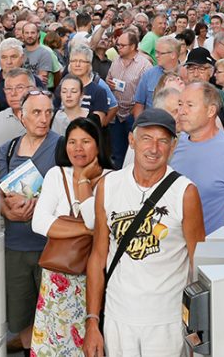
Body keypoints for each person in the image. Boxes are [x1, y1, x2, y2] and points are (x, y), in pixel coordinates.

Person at [83, 109, 205, 357]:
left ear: (173, 146)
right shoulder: (109, 185)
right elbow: (98, 257)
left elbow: (198, 263)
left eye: (163, 141)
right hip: (118, 318)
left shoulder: (185, 193)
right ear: (132, 140)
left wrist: (196, 329)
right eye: (146, 138)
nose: (154, 148)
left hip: (167, 322)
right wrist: (92, 321)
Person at [31, 117, 113, 356]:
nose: (78, 148)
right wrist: (88, 231)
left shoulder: (112, 179)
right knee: (53, 345)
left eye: (86, 141)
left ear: (98, 144)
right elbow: (39, 223)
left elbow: (92, 220)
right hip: (58, 279)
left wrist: (84, 181)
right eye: (72, 142)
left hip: (97, 277)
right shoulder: (56, 175)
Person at [0, 89, 60, 354]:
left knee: (55, 314)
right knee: (22, 314)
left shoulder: (62, 146)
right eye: (36, 112)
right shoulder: (8, 149)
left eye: (48, 112)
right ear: (21, 117)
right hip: (17, 246)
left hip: (52, 246)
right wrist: (6, 211)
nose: (43, 119)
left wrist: (41, 204)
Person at [170, 81, 224, 234]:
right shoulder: (173, 145)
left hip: (213, 246)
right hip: (171, 245)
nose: (182, 111)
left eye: (190, 105)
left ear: (211, 111)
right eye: (180, 104)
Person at [107, 28, 152, 168]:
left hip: (133, 115)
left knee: (134, 153)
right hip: (116, 114)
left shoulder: (145, 65)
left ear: (132, 46)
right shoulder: (115, 61)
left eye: (122, 45)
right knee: (116, 153)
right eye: (117, 45)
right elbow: (109, 78)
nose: (118, 48)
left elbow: (147, 94)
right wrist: (109, 84)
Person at [0, 68, 34, 161]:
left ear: (32, 89)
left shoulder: (46, 117)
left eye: (19, 87)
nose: (13, 93)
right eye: (9, 89)